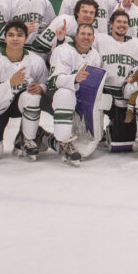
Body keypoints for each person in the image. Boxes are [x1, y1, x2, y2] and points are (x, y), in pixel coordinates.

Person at [0, 20, 48, 162]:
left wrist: (41, 88)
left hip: (19, 103)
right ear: (5, 38)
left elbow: (44, 82)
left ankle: (28, 138)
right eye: (11, 35)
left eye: (20, 35)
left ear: (26, 38)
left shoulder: (36, 61)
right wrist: (10, 84)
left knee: (32, 96)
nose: (15, 38)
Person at [92, 10, 138, 154]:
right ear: (111, 24)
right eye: (118, 21)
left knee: (121, 144)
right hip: (104, 92)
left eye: (125, 22)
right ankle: (95, 130)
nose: (122, 25)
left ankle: (115, 129)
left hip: (125, 95)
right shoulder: (99, 39)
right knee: (93, 131)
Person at [43, 22, 102, 166]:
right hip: (57, 96)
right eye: (82, 34)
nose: (86, 37)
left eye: (89, 34)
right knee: (65, 94)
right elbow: (53, 82)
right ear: (75, 36)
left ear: (93, 38)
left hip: (82, 99)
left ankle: (46, 138)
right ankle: (64, 143)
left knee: (86, 149)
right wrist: (74, 78)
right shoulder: (62, 51)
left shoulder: (95, 55)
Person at [31, 0, 98, 55]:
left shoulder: (94, 31)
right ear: (77, 12)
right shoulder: (64, 21)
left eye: (91, 13)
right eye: (85, 12)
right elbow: (39, 47)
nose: (88, 15)